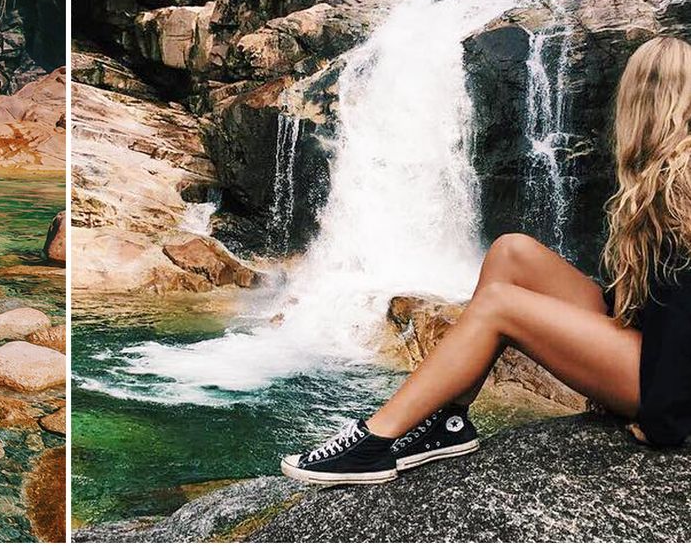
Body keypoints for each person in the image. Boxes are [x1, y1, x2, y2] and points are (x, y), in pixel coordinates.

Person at [282, 36, 691, 485]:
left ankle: (374, 441)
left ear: (637, 100)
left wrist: (663, 422)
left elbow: (683, 310)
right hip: (647, 347)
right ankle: (449, 420)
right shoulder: (659, 174)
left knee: (500, 304)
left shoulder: (679, 185)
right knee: (510, 251)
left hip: (666, 383)